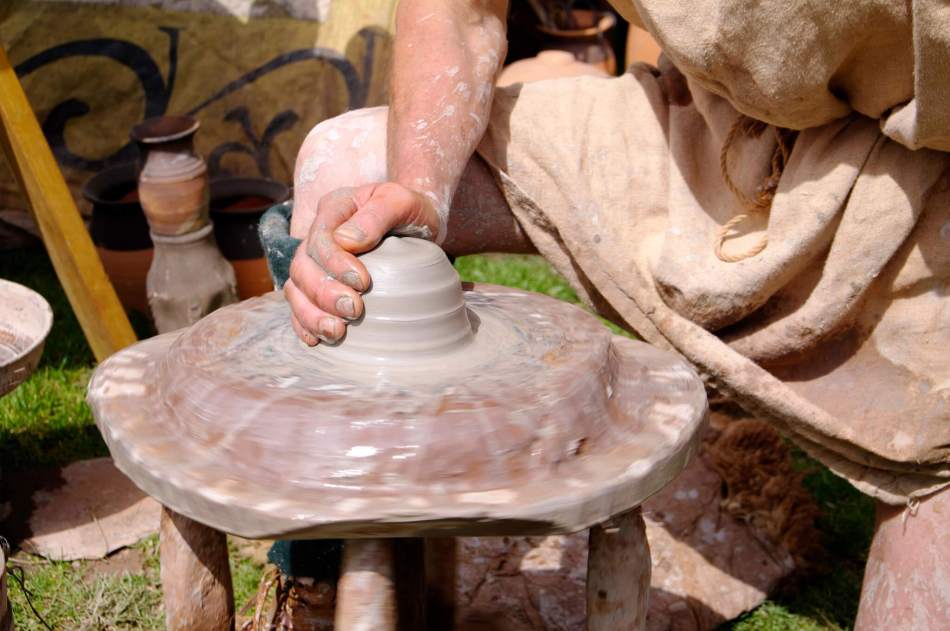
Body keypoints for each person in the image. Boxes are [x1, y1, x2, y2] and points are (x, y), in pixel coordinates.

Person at [283, 1, 949, 628]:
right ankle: (333, 579)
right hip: (716, 129)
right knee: (343, 166)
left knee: (931, 492)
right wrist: (417, 189)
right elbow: (459, 13)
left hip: (913, 170)